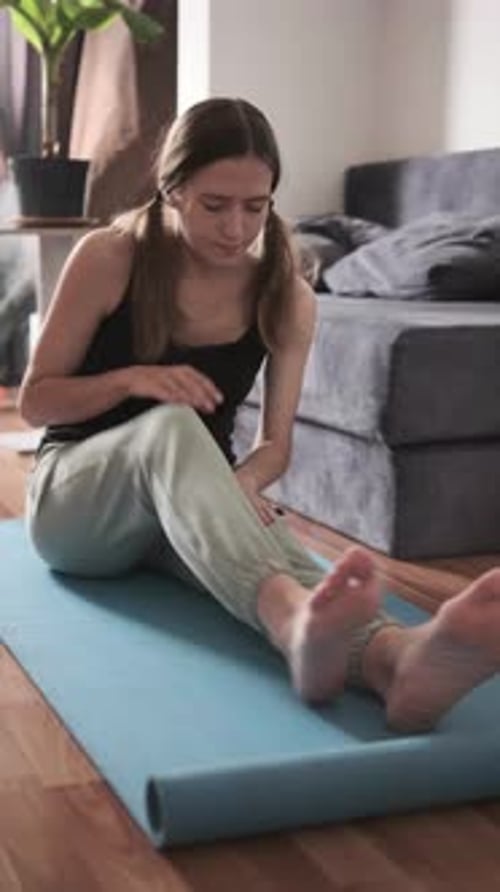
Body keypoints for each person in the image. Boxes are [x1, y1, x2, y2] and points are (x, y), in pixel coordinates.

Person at [19, 97, 500, 735]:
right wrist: (133, 380)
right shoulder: (111, 258)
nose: (235, 228)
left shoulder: (285, 292)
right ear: (172, 190)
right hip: (73, 509)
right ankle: (297, 627)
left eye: (256, 206)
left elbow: (276, 448)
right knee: (171, 425)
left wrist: (238, 486)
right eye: (214, 205)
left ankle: (395, 659)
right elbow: (36, 400)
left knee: (269, 543)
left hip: (177, 504)